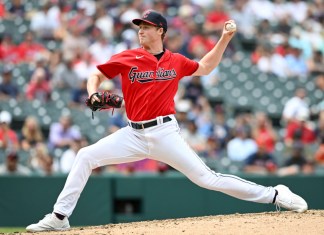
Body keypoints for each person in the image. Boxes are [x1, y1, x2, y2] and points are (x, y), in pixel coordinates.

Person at [26, 10, 307, 232]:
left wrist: (224, 38)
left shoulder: (176, 61)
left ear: (160, 30)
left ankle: (275, 194)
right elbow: (95, 76)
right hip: (132, 134)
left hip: (164, 132)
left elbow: (206, 67)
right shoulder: (127, 57)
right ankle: (60, 217)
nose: (140, 30)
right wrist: (92, 93)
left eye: (146, 27)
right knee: (85, 155)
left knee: (207, 178)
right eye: (139, 27)